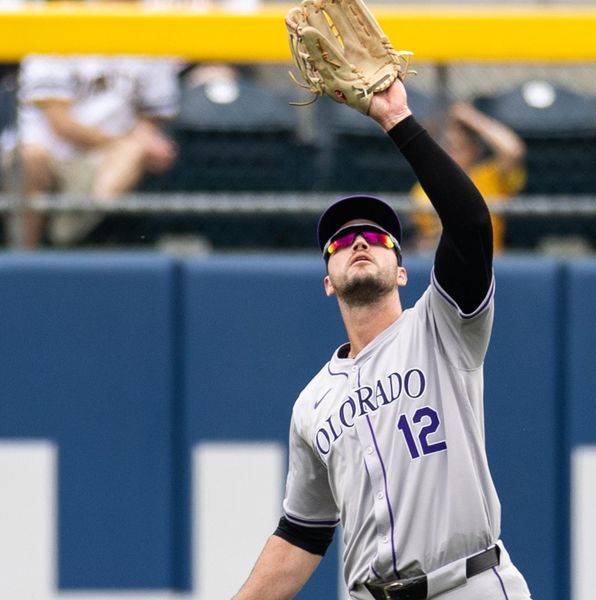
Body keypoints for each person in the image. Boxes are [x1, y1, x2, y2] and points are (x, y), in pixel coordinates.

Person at [233, 80, 532, 600]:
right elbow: (302, 533)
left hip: (469, 585)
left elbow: (469, 224)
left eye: (376, 237)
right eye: (342, 242)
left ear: (401, 271)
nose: (360, 243)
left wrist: (397, 119)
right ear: (329, 281)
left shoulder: (442, 327)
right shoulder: (312, 405)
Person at [17, 53, 179, 247]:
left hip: (105, 157)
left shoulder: (148, 41)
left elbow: (152, 117)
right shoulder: (55, 33)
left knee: (135, 150)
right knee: (31, 157)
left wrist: (142, 143)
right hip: (50, 153)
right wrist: (120, 143)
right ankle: (24, 255)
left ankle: (65, 241)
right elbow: (61, 124)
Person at [411, 101, 526, 254]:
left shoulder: (489, 175)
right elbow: (420, 240)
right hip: (443, 263)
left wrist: (472, 118)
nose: (449, 154)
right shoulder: (423, 187)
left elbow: (513, 150)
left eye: (458, 148)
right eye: (445, 147)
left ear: (474, 150)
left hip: (488, 262)